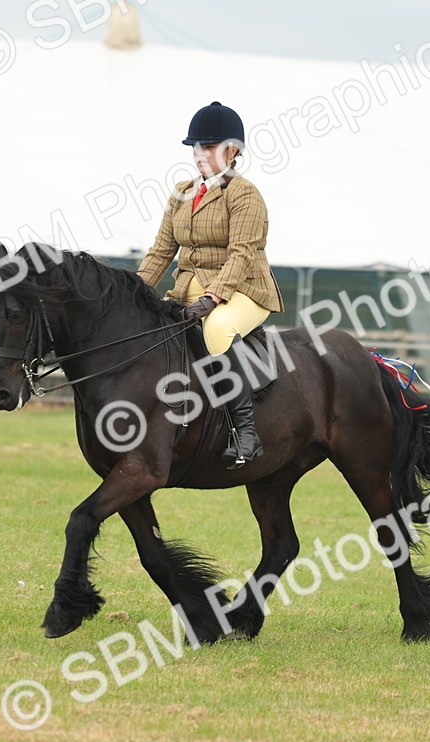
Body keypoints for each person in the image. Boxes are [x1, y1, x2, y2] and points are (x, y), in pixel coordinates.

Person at [137, 101, 284, 469]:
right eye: (196, 147)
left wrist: (214, 296)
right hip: (189, 287)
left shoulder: (244, 194)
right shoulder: (181, 193)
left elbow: (242, 253)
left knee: (217, 327)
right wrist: (134, 292)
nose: (199, 154)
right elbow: (161, 251)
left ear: (232, 151)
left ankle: (245, 432)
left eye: (208, 147)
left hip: (245, 288)